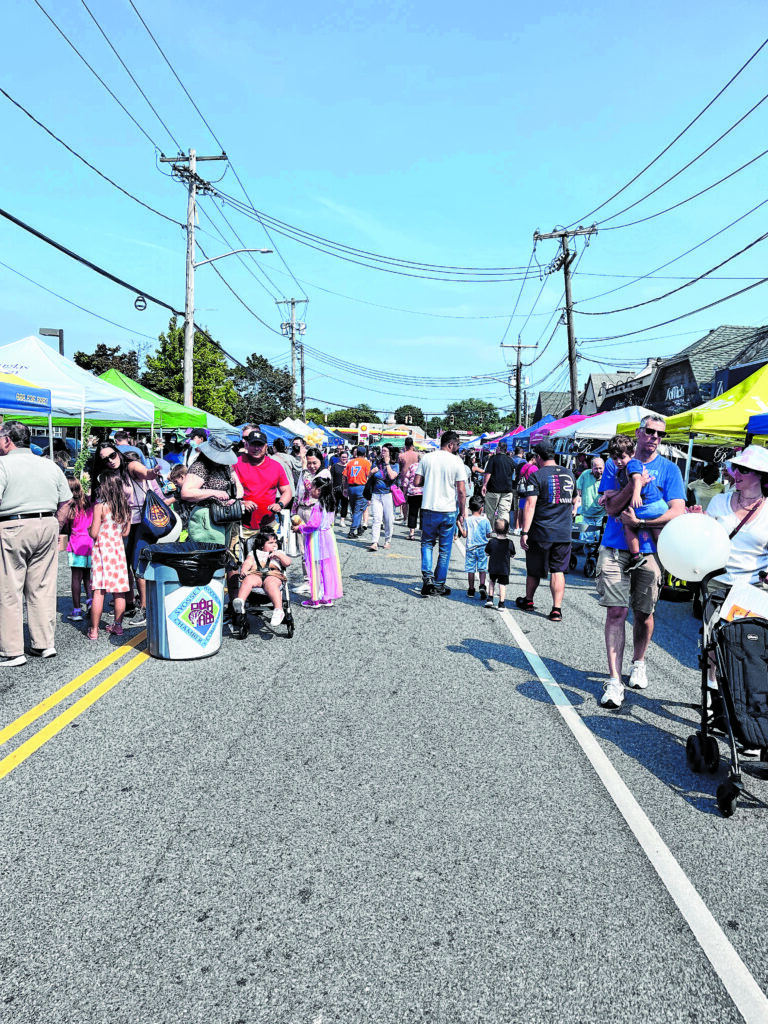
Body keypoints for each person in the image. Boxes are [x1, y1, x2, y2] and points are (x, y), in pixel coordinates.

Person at [597, 415, 686, 710]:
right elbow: (610, 506)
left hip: (648, 552)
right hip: (613, 547)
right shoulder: (616, 463)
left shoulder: (670, 469)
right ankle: (614, 680)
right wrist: (630, 490)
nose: (654, 437)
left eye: (660, 434)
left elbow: (677, 511)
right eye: (649, 431)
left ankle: (638, 661)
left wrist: (641, 520)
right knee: (616, 612)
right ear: (638, 433)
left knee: (644, 613)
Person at [0, 421, 70, 665]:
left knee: (9, 590)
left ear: (8, 440)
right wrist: (56, 526)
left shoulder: (2, 464)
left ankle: (12, 650)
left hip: (12, 525)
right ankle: (44, 644)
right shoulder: (49, 465)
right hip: (47, 524)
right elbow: (67, 501)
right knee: (42, 587)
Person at [86, 441, 162, 626]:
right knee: (124, 566)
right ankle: (129, 604)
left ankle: (144, 608)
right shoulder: (110, 474)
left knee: (138, 566)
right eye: (105, 460)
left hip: (142, 523)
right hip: (124, 525)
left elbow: (145, 472)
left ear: (118, 452)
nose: (110, 461)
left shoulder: (130, 465)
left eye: (112, 456)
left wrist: (152, 472)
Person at [517, 441, 576, 623]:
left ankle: (529, 601)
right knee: (558, 570)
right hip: (563, 531)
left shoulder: (537, 475)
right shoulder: (569, 474)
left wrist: (524, 531)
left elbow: (530, 504)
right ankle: (556, 609)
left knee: (534, 569)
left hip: (541, 530)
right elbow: (575, 500)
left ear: (538, 458)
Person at [413, 431, 466, 597]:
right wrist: (462, 512)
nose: (458, 448)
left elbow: (416, 482)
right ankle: (439, 584)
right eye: (457, 444)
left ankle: (427, 578)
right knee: (445, 549)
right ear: (450, 444)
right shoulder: (457, 461)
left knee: (427, 543)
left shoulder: (428, 458)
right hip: (448, 510)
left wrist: (430, 479)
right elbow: (461, 491)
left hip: (429, 507)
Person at [609, 434, 668, 572]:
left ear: (632, 454)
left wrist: (636, 494)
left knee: (628, 521)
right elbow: (624, 489)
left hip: (649, 504)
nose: (618, 461)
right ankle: (667, 552)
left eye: (622, 457)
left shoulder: (633, 464)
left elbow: (636, 479)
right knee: (656, 531)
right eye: (614, 458)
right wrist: (608, 495)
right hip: (657, 505)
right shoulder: (622, 469)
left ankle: (636, 557)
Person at [87, 473, 131, 641]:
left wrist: (90, 528)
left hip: (102, 552)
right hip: (118, 552)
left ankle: (94, 630)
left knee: (99, 590)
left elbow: (94, 533)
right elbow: (126, 533)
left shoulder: (100, 507)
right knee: (119, 591)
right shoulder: (126, 507)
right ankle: (118, 627)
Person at [292, 476, 343, 608]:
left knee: (314, 568)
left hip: (317, 538)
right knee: (326, 568)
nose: (310, 490)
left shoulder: (318, 506)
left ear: (319, 490)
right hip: (328, 537)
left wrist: (300, 528)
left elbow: (314, 525)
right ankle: (327, 597)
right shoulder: (330, 503)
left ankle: (315, 599)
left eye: (313, 487)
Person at [233, 530, 292, 627]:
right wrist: (244, 569)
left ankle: (278, 610)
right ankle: (240, 603)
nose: (274, 545)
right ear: (261, 545)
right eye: (270, 543)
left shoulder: (279, 552)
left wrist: (279, 555)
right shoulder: (253, 553)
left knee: (271, 584)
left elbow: (287, 562)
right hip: (256, 573)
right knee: (248, 580)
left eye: (275, 542)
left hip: (273, 574)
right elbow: (248, 562)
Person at [63, 478, 94, 622]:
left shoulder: (69, 507)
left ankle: (76, 610)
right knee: (88, 576)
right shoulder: (89, 503)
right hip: (90, 543)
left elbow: (66, 527)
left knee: (76, 578)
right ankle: (90, 601)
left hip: (76, 544)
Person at [368, 444, 399, 551]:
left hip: (388, 495)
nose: (382, 453)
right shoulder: (376, 463)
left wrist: (387, 464)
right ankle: (374, 542)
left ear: (390, 453)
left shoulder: (395, 465)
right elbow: (368, 476)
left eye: (385, 451)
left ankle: (387, 540)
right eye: (382, 451)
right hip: (376, 494)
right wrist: (371, 472)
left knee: (388, 519)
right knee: (377, 518)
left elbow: (392, 476)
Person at [460, 496, 491, 599]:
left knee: (471, 569)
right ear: (481, 508)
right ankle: (482, 585)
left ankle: (471, 589)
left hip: (470, 548)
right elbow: (488, 534)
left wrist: (459, 525)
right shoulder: (485, 520)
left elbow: (464, 535)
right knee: (482, 568)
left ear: (469, 508)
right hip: (482, 548)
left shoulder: (467, 520)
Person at [480, 440, 518, 526]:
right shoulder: (511, 460)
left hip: (493, 489)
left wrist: (484, 485)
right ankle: (502, 531)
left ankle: (489, 530)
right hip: (507, 490)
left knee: (490, 512)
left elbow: (488, 473)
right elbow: (514, 474)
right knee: (504, 512)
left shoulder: (493, 458)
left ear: (498, 449)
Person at [485, 518, 514, 609]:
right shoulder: (509, 543)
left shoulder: (492, 542)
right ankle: (501, 603)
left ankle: (490, 599)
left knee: (492, 582)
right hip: (504, 568)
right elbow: (512, 554)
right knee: (502, 585)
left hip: (493, 567)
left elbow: (487, 552)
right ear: (508, 530)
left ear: (494, 529)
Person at [343, 446, 372, 538]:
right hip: (361, 487)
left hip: (351, 487)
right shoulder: (366, 463)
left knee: (354, 509)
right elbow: (369, 475)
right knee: (358, 510)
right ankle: (352, 531)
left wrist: (345, 488)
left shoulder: (350, 462)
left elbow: (344, 476)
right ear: (365, 454)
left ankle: (359, 529)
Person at [574, 456, 606, 530]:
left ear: (604, 467)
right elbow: (577, 492)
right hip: (586, 515)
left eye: (600, 468)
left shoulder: (607, 477)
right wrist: (575, 507)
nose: (598, 471)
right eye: (596, 468)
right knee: (586, 539)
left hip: (601, 516)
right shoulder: (585, 474)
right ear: (592, 468)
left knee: (599, 539)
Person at [403, 458, 424, 540]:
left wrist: (404, 492)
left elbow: (406, 480)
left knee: (412, 513)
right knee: (423, 514)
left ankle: (411, 533)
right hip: (423, 493)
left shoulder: (412, 466)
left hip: (412, 492)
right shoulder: (427, 466)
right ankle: (423, 534)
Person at [330, 449, 350, 521]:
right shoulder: (335, 466)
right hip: (336, 488)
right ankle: (332, 518)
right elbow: (331, 477)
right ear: (339, 457)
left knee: (345, 504)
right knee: (335, 504)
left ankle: (342, 520)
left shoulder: (349, 466)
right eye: (342, 457)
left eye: (345, 457)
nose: (344, 459)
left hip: (346, 488)